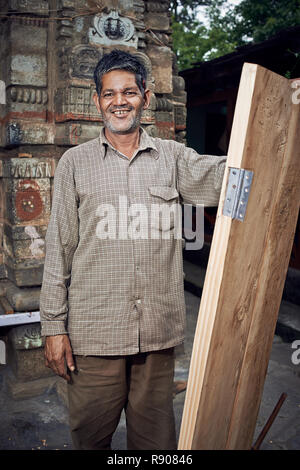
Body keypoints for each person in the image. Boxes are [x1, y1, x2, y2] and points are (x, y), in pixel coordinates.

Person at [40, 49, 226, 450]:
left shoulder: (173, 158)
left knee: (155, 445)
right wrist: (53, 326)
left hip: (156, 336)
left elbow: (227, 179)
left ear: (145, 95)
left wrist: (273, 132)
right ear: (97, 100)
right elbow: (59, 249)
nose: (119, 102)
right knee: (90, 440)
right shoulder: (74, 164)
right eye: (109, 94)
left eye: (129, 92)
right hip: (94, 336)